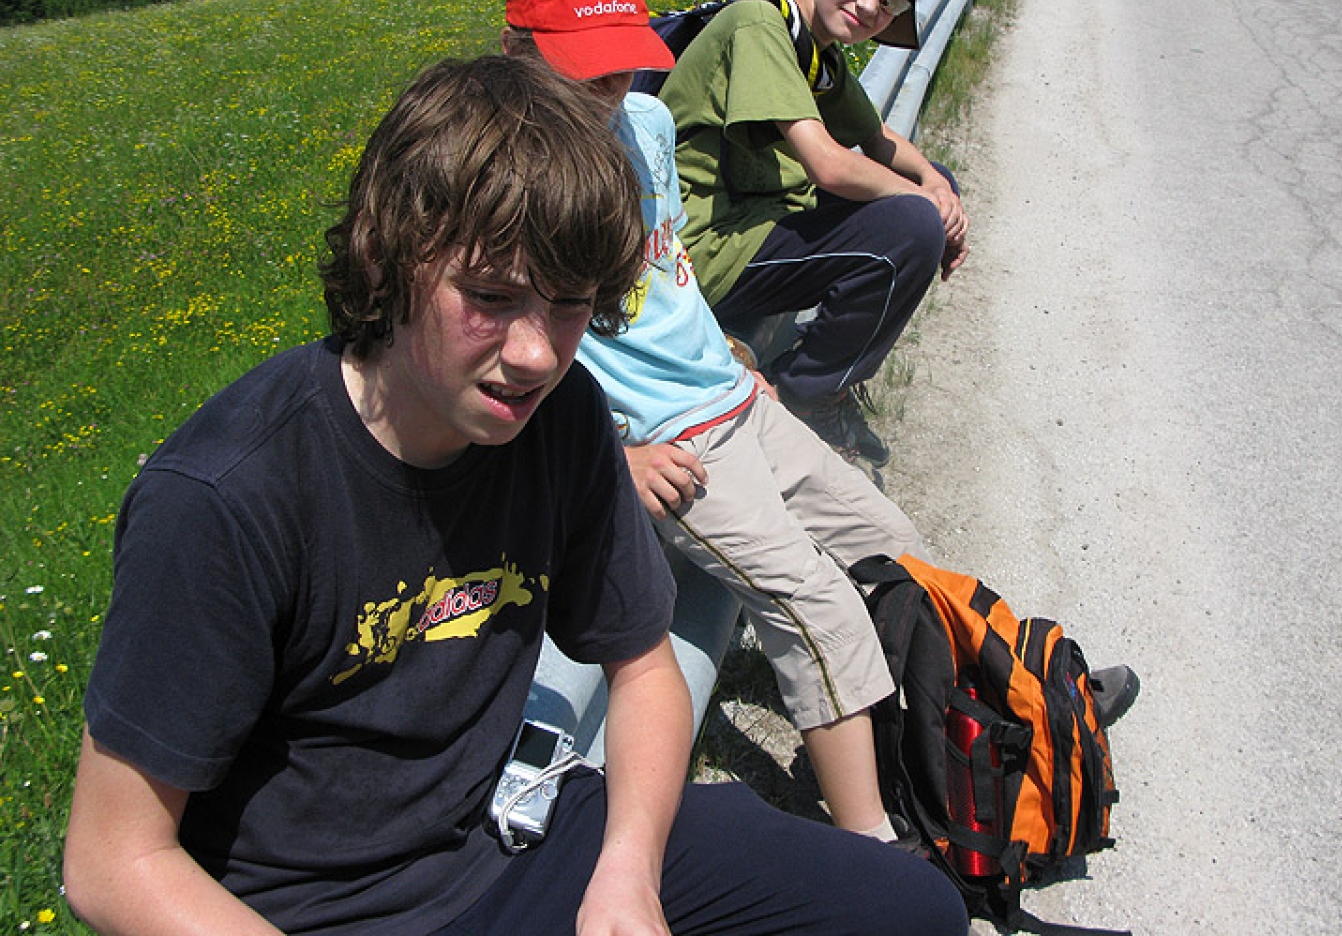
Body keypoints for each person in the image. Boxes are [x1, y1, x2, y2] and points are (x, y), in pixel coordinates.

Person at [62, 54, 971, 935]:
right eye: (492, 296)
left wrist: (627, 869)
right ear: (390, 250)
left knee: (911, 908)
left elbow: (644, 662)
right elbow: (111, 861)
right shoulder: (225, 495)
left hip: (525, 822)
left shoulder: (563, 415)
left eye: (572, 304)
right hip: (329, 907)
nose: (537, 353)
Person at [504, 0, 936, 844]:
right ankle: (876, 852)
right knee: (815, 605)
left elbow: (672, 275)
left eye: (620, 70)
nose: (603, 95)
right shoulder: (510, 192)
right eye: (579, 74)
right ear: (516, 55)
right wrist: (613, 456)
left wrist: (734, 350)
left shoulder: (647, 127)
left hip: (733, 398)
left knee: (894, 551)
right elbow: (514, 364)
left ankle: (949, 742)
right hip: (672, 443)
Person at [658, 0, 970, 471]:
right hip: (706, 251)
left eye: (892, 1)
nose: (872, 5)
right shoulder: (759, 24)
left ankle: (824, 371)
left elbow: (875, 139)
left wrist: (935, 185)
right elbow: (828, 166)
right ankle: (811, 392)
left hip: (759, 220)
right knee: (912, 226)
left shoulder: (814, 50)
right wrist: (927, 207)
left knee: (931, 191)